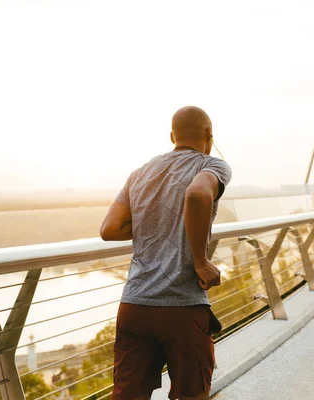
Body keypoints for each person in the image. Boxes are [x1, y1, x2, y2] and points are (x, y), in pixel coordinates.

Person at [100, 105, 232, 400]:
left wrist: (155, 222)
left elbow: (109, 228)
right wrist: (200, 261)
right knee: (191, 394)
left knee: (127, 396)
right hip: (182, 306)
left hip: (135, 304)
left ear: (172, 135)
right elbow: (198, 194)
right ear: (209, 134)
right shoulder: (211, 165)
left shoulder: (140, 172)